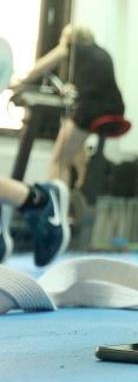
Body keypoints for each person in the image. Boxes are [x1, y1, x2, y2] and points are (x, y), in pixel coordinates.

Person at [9, 24, 125, 188]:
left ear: (70, 38)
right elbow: (95, 84)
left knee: (59, 159)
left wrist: (18, 82)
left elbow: (40, 67)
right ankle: (80, 192)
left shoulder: (72, 47)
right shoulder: (101, 53)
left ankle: (56, 201)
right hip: (115, 109)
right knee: (76, 149)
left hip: (90, 110)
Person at [1, 36, 70, 266]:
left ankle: (39, 201)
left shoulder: (69, 47)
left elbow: (46, 64)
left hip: (90, 109)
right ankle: (35, 200)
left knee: (63, 157)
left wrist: (22, 79)